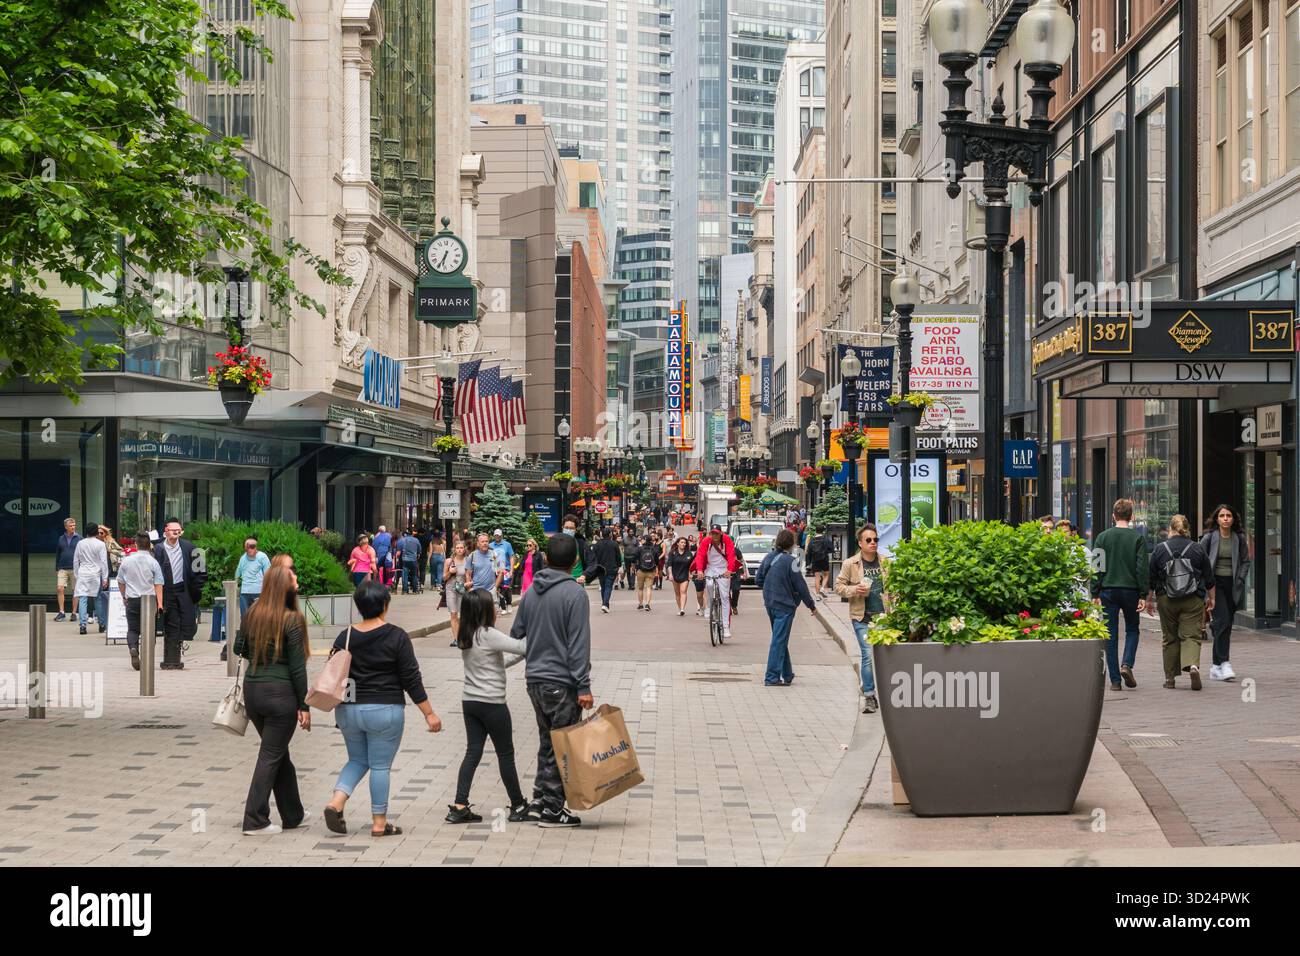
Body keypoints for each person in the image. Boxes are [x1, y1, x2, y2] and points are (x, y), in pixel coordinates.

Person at [323, 581, 442, 837]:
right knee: (379, 765)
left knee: (357, 759)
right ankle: (379, 823)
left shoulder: (346, 636)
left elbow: (335, 672)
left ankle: (336, 802)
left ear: (358, 607)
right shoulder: (397, 636)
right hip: (384, 709)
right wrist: (429, 713)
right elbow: (411, 679)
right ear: (385, 605)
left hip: (349, 710)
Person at [511, 532, 594, 828]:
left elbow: (516, 633)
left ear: (545, 558)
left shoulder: (532, 592)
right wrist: (583, 685)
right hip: (562, 682)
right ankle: (553, 809)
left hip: (534, 680)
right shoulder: (575, 594)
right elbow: (578, 644)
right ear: (575, 561)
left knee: (548, 740)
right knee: (563, 744)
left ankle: (540, 799)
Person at [234, 565, 311, 835]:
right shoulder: (292, 619)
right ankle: (255, 819)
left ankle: (293, 813)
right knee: (270, 754)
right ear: (284, 587)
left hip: (253, 691)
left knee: (277, 751)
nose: (297, 579)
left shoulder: (252, 613)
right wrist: (304, 705)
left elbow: (238, 648)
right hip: (280, 694)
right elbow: (298, 668)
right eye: (293, 577)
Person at [447, 589, 529, 824]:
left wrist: (520, 654)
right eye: (492, 604)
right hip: (492, 704)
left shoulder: (466, 634)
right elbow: (522, 646)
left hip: (470, 702)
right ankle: (518, 804)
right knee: (505, 755)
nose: (495, 607)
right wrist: (538, 626)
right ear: (484, 610)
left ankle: (460, 805)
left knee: (473, 752)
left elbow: (496, 663)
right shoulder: (488, 634)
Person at [1148, 514, 1214, 691]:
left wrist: (1148, 600)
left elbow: (1151, 578)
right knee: (1191, 635)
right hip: (1192, 599)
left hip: (1166, 599)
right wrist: (1212, 598)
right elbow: (1209, 577)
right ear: (1187, 529)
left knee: (1169, 638)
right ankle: (1192, 666)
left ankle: (1170, 679)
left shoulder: (1160, 549)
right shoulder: (1197, 548)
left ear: (1170, 529)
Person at [1090, 498, 1151, 692]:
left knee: (1111, 634)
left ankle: (1115, 680)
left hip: (1108, 590)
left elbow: (1097, 567)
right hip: (1131, 590)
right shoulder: (1137, 538)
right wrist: (1143, 594)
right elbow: (1142, 568)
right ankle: (1127, 664)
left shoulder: (1102, 538)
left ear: (1113, 516)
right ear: (1132, 516)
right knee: (1132, 629)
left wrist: (1095, 591)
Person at [835, 524, 888, 713]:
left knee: (883, 655)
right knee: (867, 654)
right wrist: (855, 589)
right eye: (869, 540)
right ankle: (870, 696)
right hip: (861, 617)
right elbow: (839, 587)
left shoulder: (886, 562)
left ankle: (878, 690)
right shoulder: (850, 564)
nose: (873, 543)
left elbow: (893, 587)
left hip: (883, 618)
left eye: (875, 539)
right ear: (860, 543)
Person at [756, 529, 816, 687]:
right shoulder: (792, 561)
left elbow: (758, 579)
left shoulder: (768, 557)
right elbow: (801, 585)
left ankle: (787, 674)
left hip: (770, 603)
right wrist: (811, 605)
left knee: (779, 638)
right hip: (785, 605)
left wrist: (770, 588)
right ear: (791, 544)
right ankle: (771, 677)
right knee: (778, 640)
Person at [1199, 505, 1249, 682]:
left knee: (1225, 625)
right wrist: (1205, 585)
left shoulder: (1239, 538)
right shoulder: (1209, 538)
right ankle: (1224, 662)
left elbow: (1245, 561)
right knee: (1223, 621)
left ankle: (1215, 667)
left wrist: (1240, 579)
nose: (1226, 518)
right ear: (1217, 519)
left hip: (1232, 586)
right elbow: (1199, 560)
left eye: (1229, 515)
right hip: (1214, 585)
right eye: (1222, 516)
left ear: (1233, 519)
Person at [152, 518, 207, 670]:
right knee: (169, 622)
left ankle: (177, 651)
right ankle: (171, 658)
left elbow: (201, 571)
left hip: (183, 589)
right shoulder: (157, 549)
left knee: (186, 622)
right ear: (165, 531)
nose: (176, 532)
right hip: (165, 591)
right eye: (173, 530)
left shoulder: (191, 547)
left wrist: (196, 589)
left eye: (179, 530)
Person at [117, 532, 164, 671]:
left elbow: (121, 581)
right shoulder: (153, 562)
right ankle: (146, 656)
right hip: (149, 600)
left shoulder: (127, 561)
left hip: (132, 599)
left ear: (135, 544)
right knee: (150, 630)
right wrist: (160, 603)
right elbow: (158, 584)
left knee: (133, 629)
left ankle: (133, 648)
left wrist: (124, 596)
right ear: (149, 545)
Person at [691, 524, 740, 639]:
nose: (714, 536)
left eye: (716, 533)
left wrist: (729, 570)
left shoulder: (727, 540)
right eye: (712, 533)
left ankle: (726, 627)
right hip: (711, 568)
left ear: (721, 533)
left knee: (724, 596)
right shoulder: (706, 541)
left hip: (724, 568)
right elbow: (700, 555)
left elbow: (731, 555)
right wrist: (699, 570)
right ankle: (709, 605)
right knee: (709, 584)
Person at [72, 522, 110, 636]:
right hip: (95, 574)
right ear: (96, 532)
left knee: (83, 599)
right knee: (97, 599)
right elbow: (104, 562)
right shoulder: (100, 544)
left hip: (83, 573)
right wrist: (105, 577)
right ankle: (101, 624)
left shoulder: (80, 543)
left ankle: (83, 625)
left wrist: (76, 574)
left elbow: (76, 560)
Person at [466, 533, 505, 609]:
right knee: (477, 615)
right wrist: (470, 589)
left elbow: (501, 572)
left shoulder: (494, 555)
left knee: (492, 615)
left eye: (486, 541)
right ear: (478, 543)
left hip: (491, 592)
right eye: (482, 541)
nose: (485, 543)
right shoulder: (472, 556)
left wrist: (495, 588)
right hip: (476, 592)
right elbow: (468, 574)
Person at [236, 536, 271, 617]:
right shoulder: (243, 558)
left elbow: (268, 574)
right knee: (245, 618)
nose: (250, 549)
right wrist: (235, 584)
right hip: (245, 593)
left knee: (259, 618)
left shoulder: (262, 556)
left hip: (258, 592)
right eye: (247, 547)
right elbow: (238, 572)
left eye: (252, 546)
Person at [444, 540, 470, 648]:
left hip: (463, 589)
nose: (459, 550)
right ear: (454, 549)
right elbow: (444, 577)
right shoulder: (449, 561)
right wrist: (450, 572)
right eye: (457, 548)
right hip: (451, 589)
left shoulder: (467, 561)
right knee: (453, 614)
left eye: (461, 548)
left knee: (464, 615)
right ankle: (456, 639)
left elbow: (468, 576)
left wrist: (469, 587)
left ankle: (464, 637)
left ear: (464, 549)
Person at [55, 517, 81, 622]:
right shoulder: (61, 538)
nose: (73, 527)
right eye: (70, 526)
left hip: (75, 568)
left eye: (74, 525)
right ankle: (62, 612)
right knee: (60, 588)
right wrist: (57, 567)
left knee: (75, 591)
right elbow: (58, 553)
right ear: (66, 527)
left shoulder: (79, 538)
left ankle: (74, 613)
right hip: (62, 567)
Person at [591, 527, 622, 613]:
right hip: (612, 568)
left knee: (603, 586)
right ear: (610, 534)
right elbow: (618, 556)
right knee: (608, 586)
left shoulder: (597, 544)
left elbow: (593, 556)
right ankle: (605, 604)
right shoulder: (614, 544)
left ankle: (605, 604)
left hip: (600, 569)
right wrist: (619, 565)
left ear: (602, 534)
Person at [489, 529, 516, 614]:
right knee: (498, 589)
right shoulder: (490, 545)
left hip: (505, 570)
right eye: (496, 535)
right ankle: (503, 607)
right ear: (494, 536)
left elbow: (511, 557)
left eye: (499, 535)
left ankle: (509, 604)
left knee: (506, 588)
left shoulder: (507, 545)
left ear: (501, 535)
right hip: (495, 570)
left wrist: (511, 570)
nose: (497, 537)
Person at [668, 535, 694, 616]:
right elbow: (669, 564)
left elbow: (691, 565)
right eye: (682, 542)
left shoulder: (689, 553)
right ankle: (679, 608)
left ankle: (682, 609)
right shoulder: (673, 553)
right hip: (675, 575)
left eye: (685, 543)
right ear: (678, 543)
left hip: (685, 575)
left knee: (683, 591)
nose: (683, 544)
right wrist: (670, 574)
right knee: (677, 593)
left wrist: (690, 573)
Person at [805, 527, 833, 599]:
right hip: (824, 559)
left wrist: (808, 563)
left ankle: (817, 595)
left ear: (816, 531)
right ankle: (822, 588)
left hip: (815, 560)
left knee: (817, 577)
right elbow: (831, 549)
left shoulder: (812, 540)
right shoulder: (826, 539)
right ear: (823, 531)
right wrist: (826, 552)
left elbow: (809, 552)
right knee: (826, 575)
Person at [634, 533, 659, 611]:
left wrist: (635, 568)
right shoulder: (654, 549)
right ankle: (647, 604)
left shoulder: (639, 549)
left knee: (640, 588)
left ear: (644, 540)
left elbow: (635, 559)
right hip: (651, 570)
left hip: (640, 570)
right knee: (649, 588)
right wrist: (655, 568)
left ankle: (641, 604)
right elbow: (657, 560)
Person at [396, 528, 421, 595]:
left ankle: (405, 590)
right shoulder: (416, 540)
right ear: (412, 533)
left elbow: (398, 552)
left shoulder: (401, 540)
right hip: (413, 559)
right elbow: (419, 550)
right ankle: (415, 590)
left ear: (405, 534)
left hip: (405, 559)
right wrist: (417, 554)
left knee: (405, 575)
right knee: (414, 574)